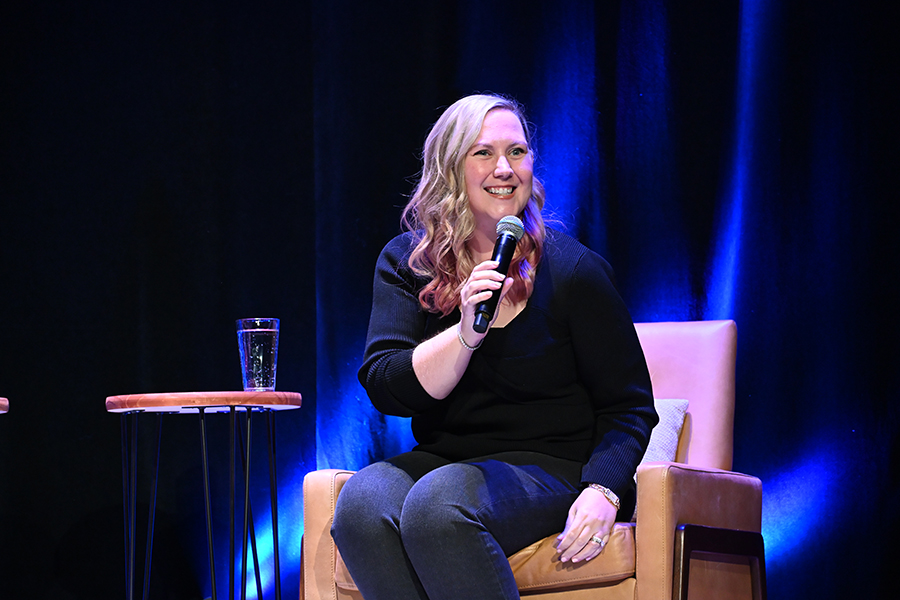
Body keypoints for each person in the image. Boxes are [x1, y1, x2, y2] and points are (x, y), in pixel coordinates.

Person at [331, 94, 657, 600]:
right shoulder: (408, 264)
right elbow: (388, 385)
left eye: (517, 152)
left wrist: (604, 489)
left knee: (439, 504)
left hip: (554, 466)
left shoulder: (573, 271)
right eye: (483, 153)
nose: (504, 169)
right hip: (447, 461)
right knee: (363, 503)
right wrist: (464, 334)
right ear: (449, 169)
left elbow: (629, 407)